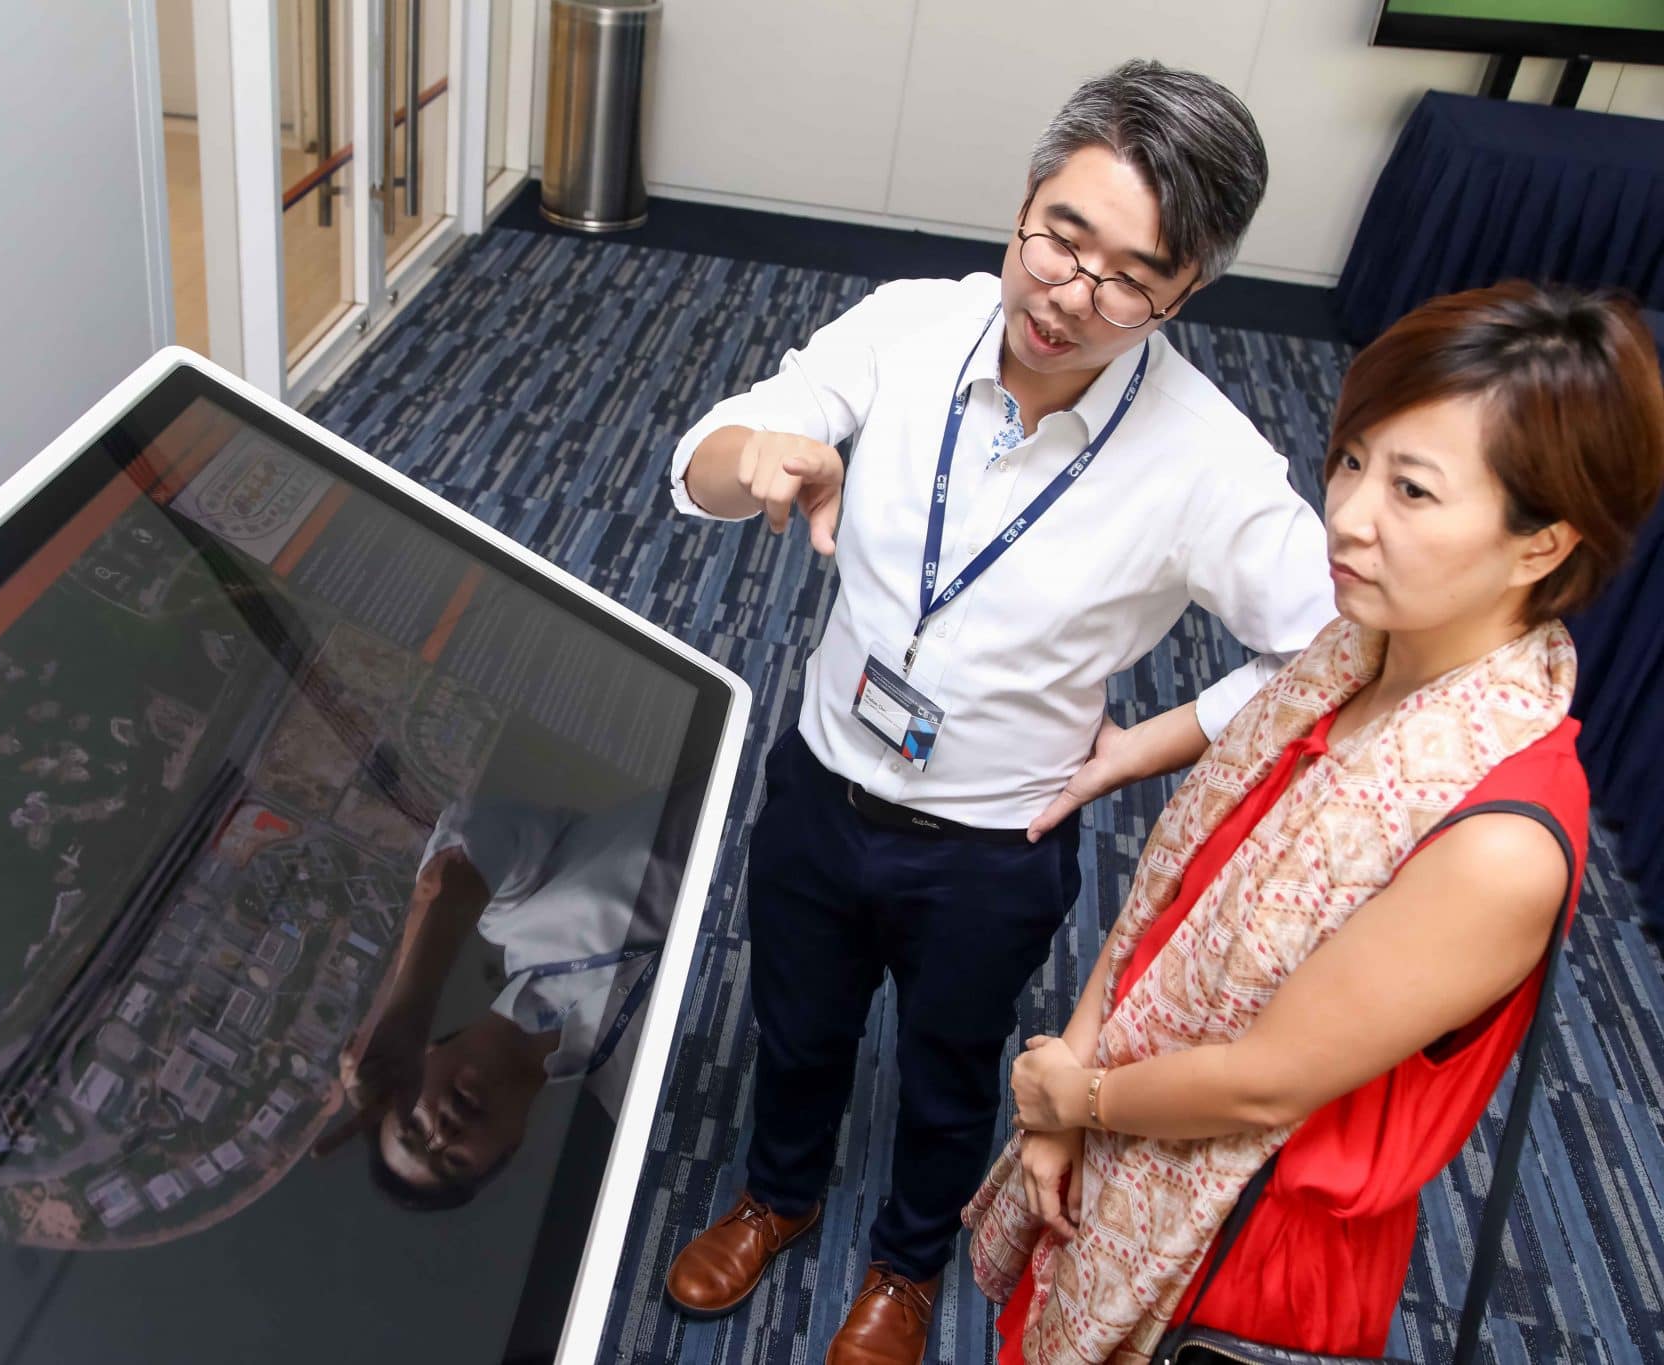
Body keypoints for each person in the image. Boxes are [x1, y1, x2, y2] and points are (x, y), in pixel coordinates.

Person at [661, 60, 1336, 1365]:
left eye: (1130, 276)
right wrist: (757, 457)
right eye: (1059, 236)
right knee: (795, 1019)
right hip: (821, 770)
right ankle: (778, 1194)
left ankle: (907, 1267)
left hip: (991, 841)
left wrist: (1146, 745)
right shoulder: (918, 321)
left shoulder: (1206, 460)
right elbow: (719, 448)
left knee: (953, 1064)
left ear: (1188, 289)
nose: (1069, 294)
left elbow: (1337, 650)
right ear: (1027, 199)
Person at [966, 281, 1664, 1362]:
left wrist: (1079, 1093)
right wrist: (1071, 1090)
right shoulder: (1348, 658)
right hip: (1127, 1119)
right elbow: (1173, 880)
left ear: (1539, 546)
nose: (1346, 513)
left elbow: (1266, 1081)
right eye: (1351, 460)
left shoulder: (1496, 842)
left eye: (1412, 491)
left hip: (1237, 1257)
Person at [329, 789, 677, 1209]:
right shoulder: (649, 1098)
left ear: (426, 1052)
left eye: (414, 1126)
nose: (442, 1135)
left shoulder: (511, 913)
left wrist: (408, 1009)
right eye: (453, 1162)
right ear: (509, 1149)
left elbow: (471, 838)